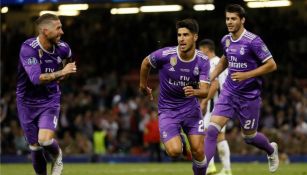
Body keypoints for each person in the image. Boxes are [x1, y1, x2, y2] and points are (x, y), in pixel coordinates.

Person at [204, 4, 279, 173]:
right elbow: (225, 59)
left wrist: (247, 75)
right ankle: (201, 171)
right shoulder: (226, 39)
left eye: (233, 19)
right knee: (211, 131)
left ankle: (270, 149)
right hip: (229, 92)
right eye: (227, 18)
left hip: (249, 96)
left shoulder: (254, 41)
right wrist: (212, 75)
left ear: (242, 20)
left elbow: (271, 65)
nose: (229, 22)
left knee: (249, 137)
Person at [139, 18, 210, 175]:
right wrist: (143, 86)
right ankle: (181, 141)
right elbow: (145, 63)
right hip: (168, 110)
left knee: (198, 151)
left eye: (186, 35)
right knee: (174, 152)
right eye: (179, 35)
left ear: (195, 37)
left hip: (191, 110)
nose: (181, 39)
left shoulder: (203, 60)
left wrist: (195, 92)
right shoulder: (165, 55)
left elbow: (205, 91)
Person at [16, 13, 77, 175]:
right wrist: (60, 73)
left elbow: (69, 66)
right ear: (44, 31)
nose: (62, 32)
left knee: (44, 140)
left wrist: (64, 74)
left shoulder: (64, 48)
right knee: (35, 147)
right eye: (58, 28)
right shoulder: (28, 49)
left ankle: (57, 156)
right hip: (26, 103)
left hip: (50, 100)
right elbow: (36, 79)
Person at [199, 39, 232, 175]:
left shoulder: (213, 63)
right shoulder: (221, 61)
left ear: (206, 49)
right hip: (224, 103)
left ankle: (211, 166)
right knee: (219, 136)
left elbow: (215, 84)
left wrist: (205, 101)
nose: (199, 53)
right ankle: (226, 169)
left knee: (207, 134)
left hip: (215, 105)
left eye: (200, 50)